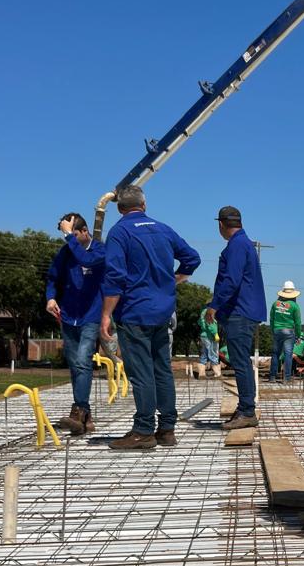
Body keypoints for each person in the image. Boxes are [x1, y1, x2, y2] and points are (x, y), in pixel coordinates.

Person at [100, 186, 200, 450]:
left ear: (121, 209)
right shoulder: (163, 229)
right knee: (162, 370)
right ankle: (167, 429)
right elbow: (192, 257)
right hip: (163, 311)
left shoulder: (120, 232)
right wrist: (175, 279)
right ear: (143, 205)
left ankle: (144, 430)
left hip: (135, 312)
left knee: (142, 373)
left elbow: (115, 277)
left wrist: (106, 314)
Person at [45, 212, 106, 435]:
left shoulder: (100, 250)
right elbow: (53, 277)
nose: (70, 238)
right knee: (74, 366)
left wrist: (69, 237)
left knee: (83, 361)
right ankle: (85, 416)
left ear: (84, 231)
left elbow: (86, 260)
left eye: (74, 233)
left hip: (91, 316)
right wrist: (50, 297)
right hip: (68, 316)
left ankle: (78, 410)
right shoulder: (65, 252)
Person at [210, 205, 266, 430]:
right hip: (243, 310)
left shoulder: (237, 245)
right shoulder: (243, 243)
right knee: (242, 361)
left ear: (221, 225)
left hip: (240, 312)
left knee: (241, 362)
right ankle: (245, 408)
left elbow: (231, 280)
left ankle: (247, 411)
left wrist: (214, 306)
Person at [268, 281, 302, 382]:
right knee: (288, 354)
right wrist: (298, 335)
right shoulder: (295, 306)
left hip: (277, 330)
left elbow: (271, 319)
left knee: (275, 354)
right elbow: (298, 323)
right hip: (289, 332)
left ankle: (272, 377)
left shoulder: (275, 304)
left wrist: (272, 331)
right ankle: (286, 378)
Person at [198, 308, 220, 376]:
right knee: (213, 352)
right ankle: (217, 372)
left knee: (204, 354)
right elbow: (211, 324)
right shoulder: (210, 311)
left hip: (203, 336)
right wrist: (215, 334)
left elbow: (199, 322)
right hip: (210, 337)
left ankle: (201, 373)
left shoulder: (203, 312)